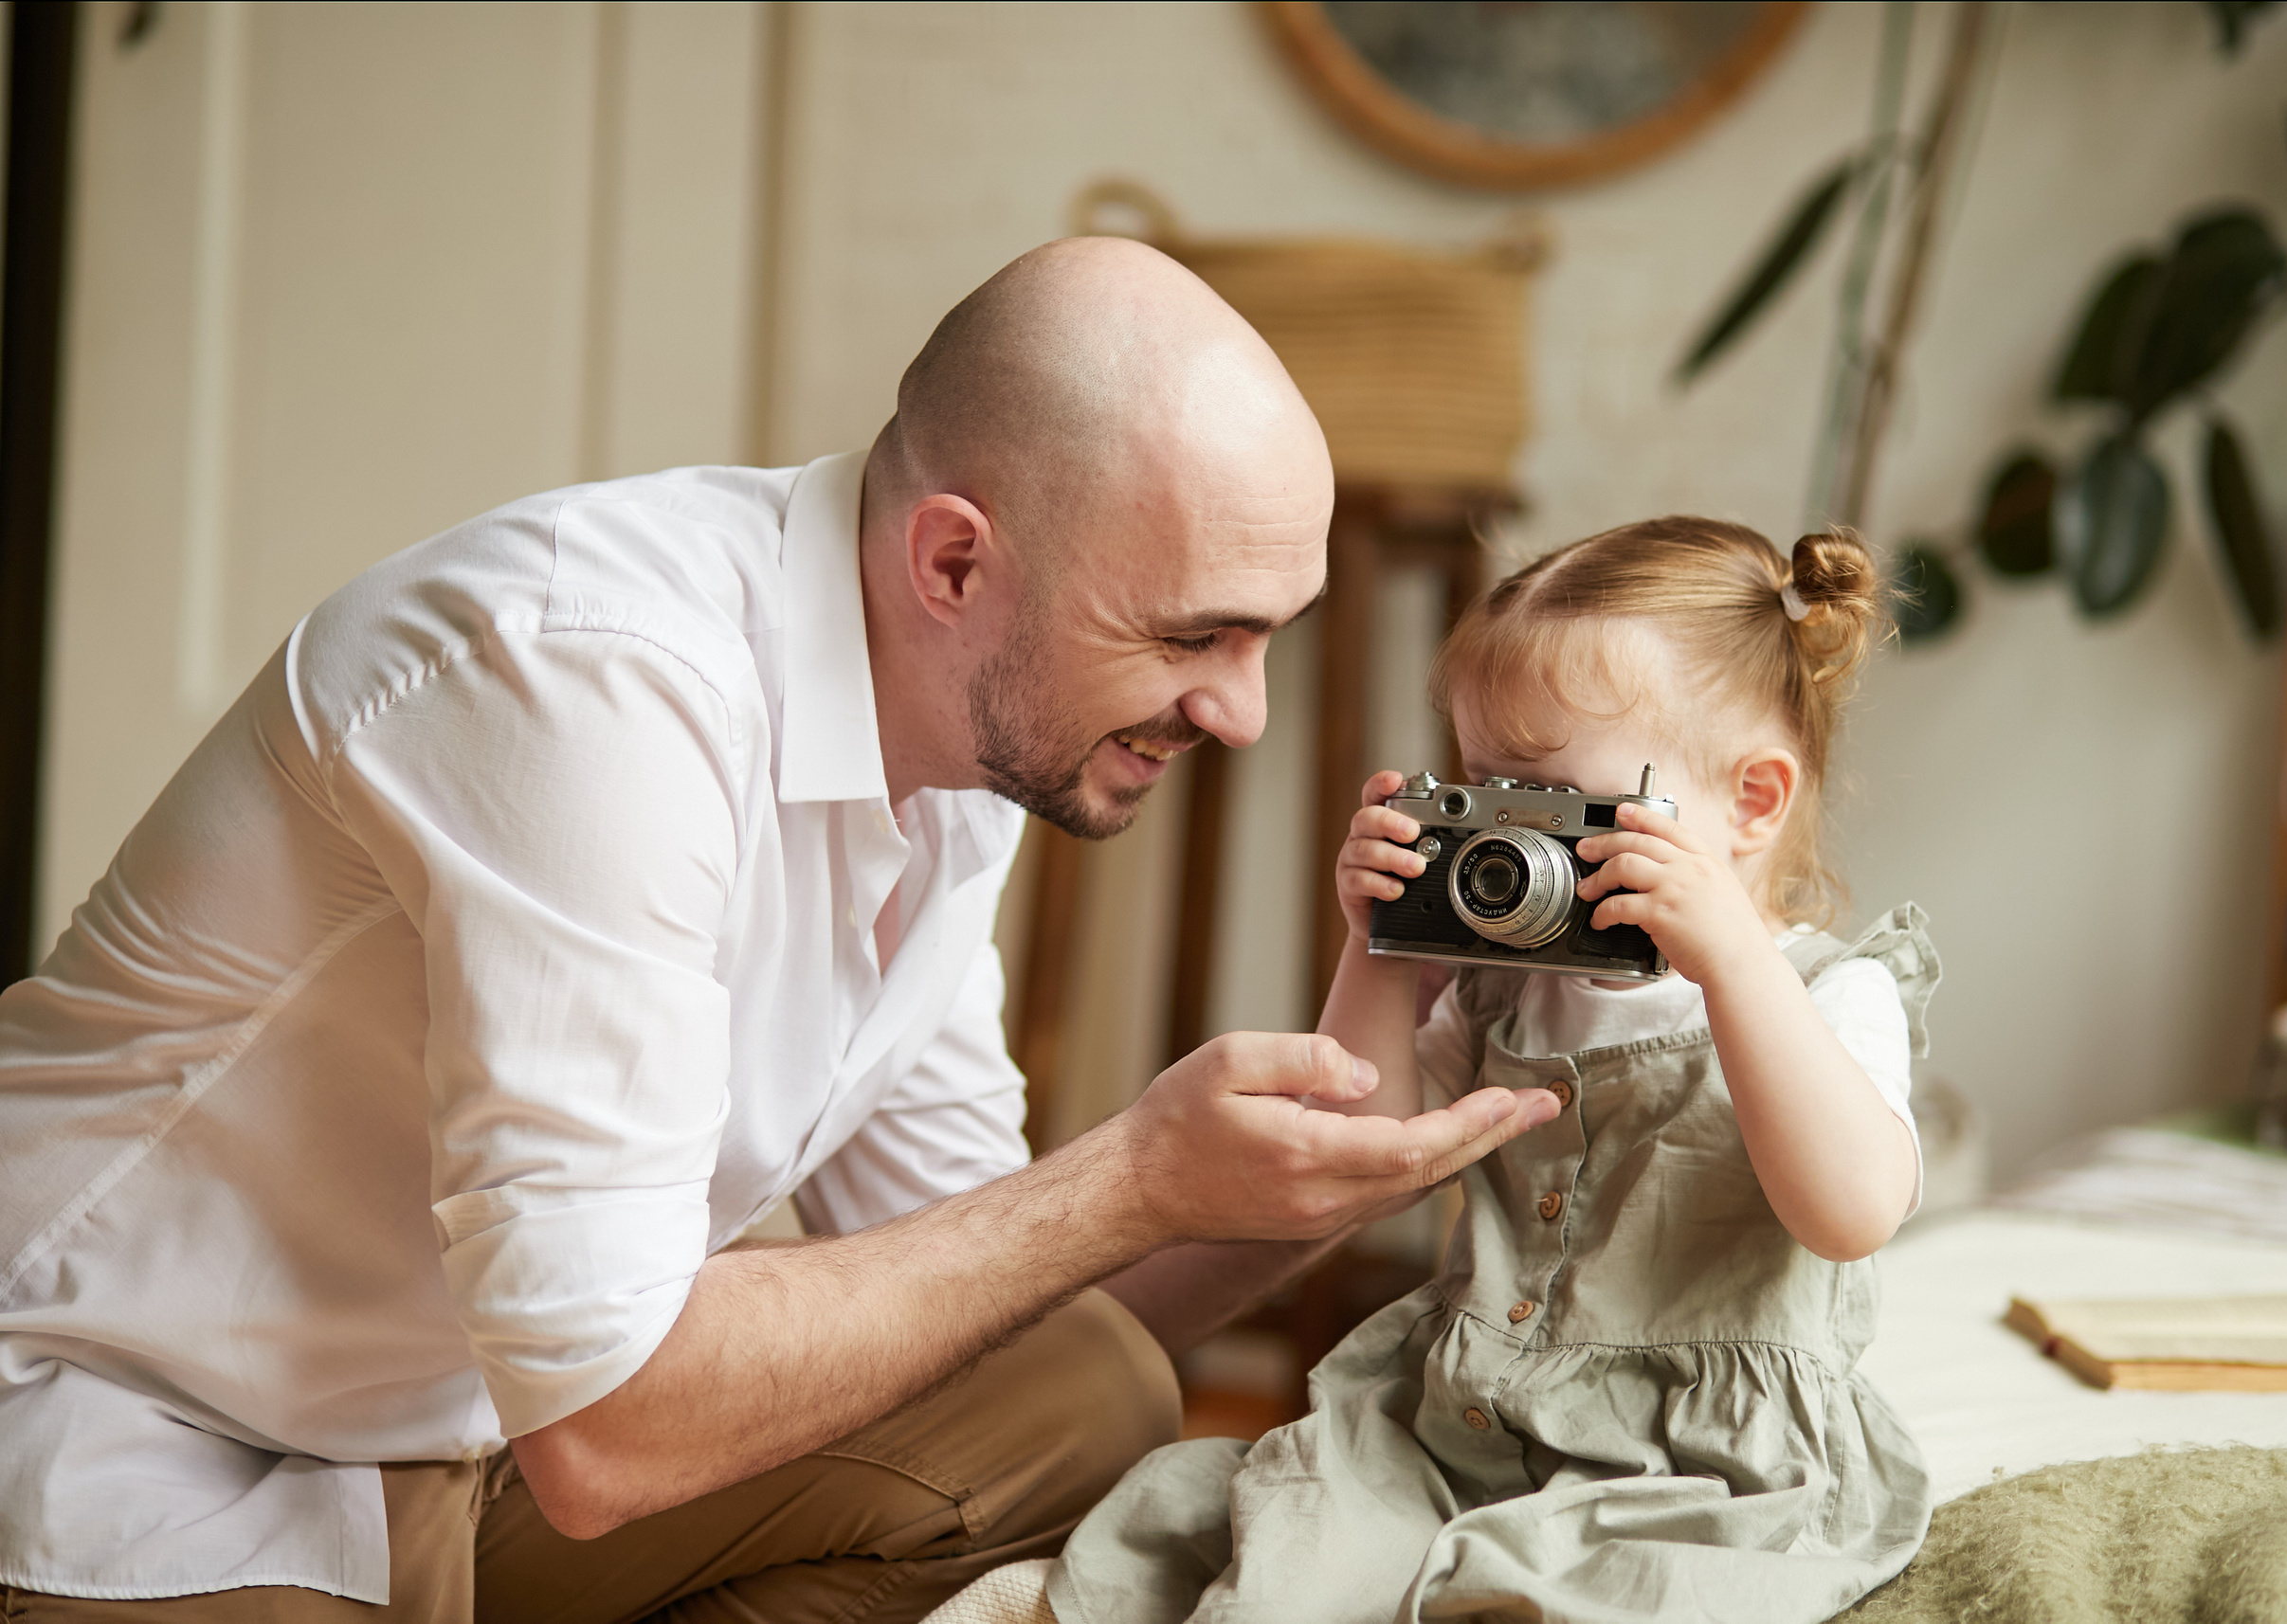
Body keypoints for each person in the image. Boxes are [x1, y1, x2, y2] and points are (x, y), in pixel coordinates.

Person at [0, 238, 1561, 1622]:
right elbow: (610, 1422)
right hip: (147, 1430)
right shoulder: (595, 686)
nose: (1242, 711)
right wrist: (1130, 1171)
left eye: (1266, 636)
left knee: (1080, 1388)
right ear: (953, 561)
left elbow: (1010, 1291)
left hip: (464, 1420)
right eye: (1191, 635)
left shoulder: (956, 759)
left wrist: (1373, 1080)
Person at [1046, 517, 1941, 1624]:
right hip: (1463, 1422)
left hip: (1693, 1467)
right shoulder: (1500, 990)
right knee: (1283, 1544)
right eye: (1486, 792)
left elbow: (1848, 1213)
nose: (1514, 844)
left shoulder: (1830, 993)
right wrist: (1379, 946)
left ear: (1751, 801)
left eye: (1558, 802)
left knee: (1602, 1598)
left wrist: (1728, 964)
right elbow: (1363, 1158)